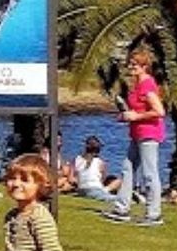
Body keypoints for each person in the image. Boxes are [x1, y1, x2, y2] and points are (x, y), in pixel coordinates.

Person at [104, 49, 166, 227]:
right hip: (137, 134)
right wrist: (126, 116)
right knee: (127, 169)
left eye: (135, 64)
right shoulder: (137, 85)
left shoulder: (147, 85)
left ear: (145, 66)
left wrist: (136, 117)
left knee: (149, 174)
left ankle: (154, 214)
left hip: (149, 135)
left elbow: (159, 111)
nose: (131, 67)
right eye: (130, 63)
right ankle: (121, 209)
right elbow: (136, 111)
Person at [71, 135, 120, 203]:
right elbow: (102, 180)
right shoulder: (100, 162)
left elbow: (71, 178)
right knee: (117, 185)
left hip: (81, 189)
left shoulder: (76, 159)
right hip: (95, 188)